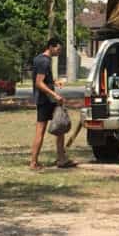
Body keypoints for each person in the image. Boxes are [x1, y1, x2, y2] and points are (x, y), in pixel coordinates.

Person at [30, 37, 76, 170]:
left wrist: (55, 82)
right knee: (41, 131)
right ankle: (33, 162)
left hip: (46, 99)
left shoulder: (39, 58)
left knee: (60, 128)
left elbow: (44, 79)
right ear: (51, 46)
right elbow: (39, 83)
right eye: (58, 49)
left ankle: (61, 159)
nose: (59, 51)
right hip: (46, 100)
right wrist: (55, 94)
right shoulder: (44, 61)